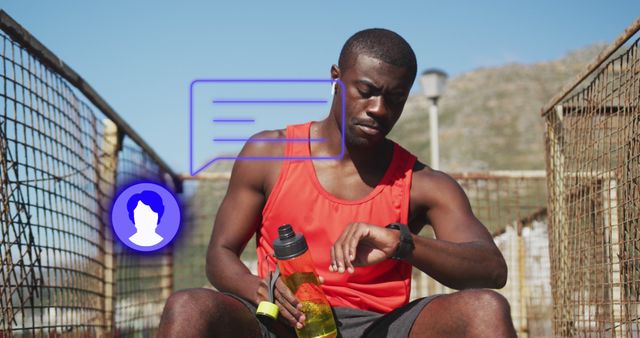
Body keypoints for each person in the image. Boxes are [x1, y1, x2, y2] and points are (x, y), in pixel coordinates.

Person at [159, 28, 516, 337]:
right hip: (286, 324)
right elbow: (219, 255)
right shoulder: (269, 152)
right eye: (367, 90)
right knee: (188, 307)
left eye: (395, 98)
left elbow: (491, 268)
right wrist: (264, 291)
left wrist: (402, 243)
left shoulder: (425, 183)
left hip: (381, 326)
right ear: (336, 78)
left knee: (485, 309)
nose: (379, 108)